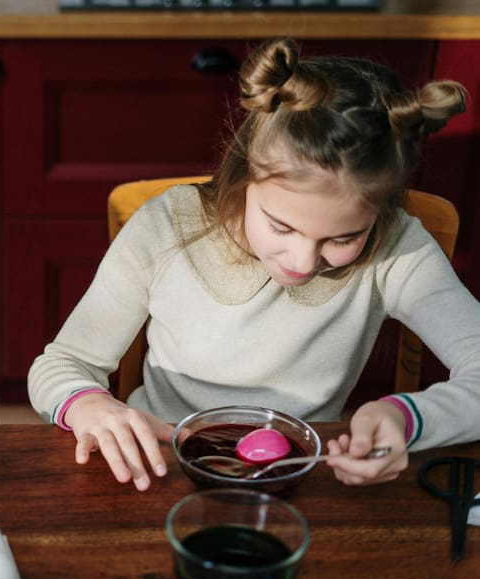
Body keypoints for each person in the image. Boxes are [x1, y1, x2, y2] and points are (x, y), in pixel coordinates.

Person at [28, 37, 477, 490]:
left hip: (301, 475)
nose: (302, 262)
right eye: (281, 227)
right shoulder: (167, 228)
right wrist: (88, 404)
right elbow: (62, 363)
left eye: (344, 238)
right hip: (158, 467)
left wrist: (406, 417)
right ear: (244, 176)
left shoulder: (398, 248)